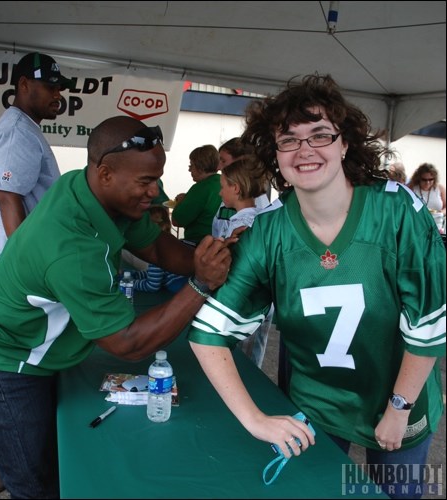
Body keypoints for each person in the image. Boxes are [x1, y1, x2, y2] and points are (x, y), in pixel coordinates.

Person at [187, 74, 445, 499]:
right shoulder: (268, 232)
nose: (305, 150)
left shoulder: (398, 211)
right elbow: (208, 336)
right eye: (289, 139)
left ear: (345, 143)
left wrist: (399, 408)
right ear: (274, 152)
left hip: (399, 397)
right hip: (319, 403)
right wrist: (255, 419)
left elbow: (428, 324)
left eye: (320, 135)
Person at [0, 116, 234, 499]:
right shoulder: (71, 246)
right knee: (35, 483)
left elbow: (155, 247)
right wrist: (201, 284)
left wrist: (206, 257)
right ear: (104, 173)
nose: (156, 193)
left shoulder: (88, 190)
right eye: (146, 182)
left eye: (157, 179)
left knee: (60, 459)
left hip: (39, 343)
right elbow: (126, 343)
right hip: (10, 357)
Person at [0, 52, 73, 276]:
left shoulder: (25, 127)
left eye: (59, 88)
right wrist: (25, 262)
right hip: (10, 256)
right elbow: (7, 198)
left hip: (17, 251)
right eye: (50, 87)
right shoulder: (17, 131)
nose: (58, 95)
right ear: (24, 84)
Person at [218, 155, 272, 367]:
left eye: (223, 187)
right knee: (255, 354)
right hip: (263, 301)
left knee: (242, 361)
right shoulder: (263, 218)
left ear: (236, 189)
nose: (220, 192)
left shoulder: (242, 224)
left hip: (245, 302)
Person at [212, 137, 270, 238]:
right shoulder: (229, 197)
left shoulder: (258, 203)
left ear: (241, 161)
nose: (218, 167)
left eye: (223, 161)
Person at [171, 145, 222, 246]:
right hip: (221, 242)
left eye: (191, 165)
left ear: (200, 167)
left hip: (200, 243)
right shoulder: (224, 181)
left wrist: (180, 202)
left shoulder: (201, 188)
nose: (189, 170)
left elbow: (177, 221)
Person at [131, 205, 188, 293]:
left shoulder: (157, 250)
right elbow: (155, 274)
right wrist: (135, 274)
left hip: (180, 288)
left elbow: (152, 286)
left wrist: (129, 283)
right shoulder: (171, 244)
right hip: (187, 282)